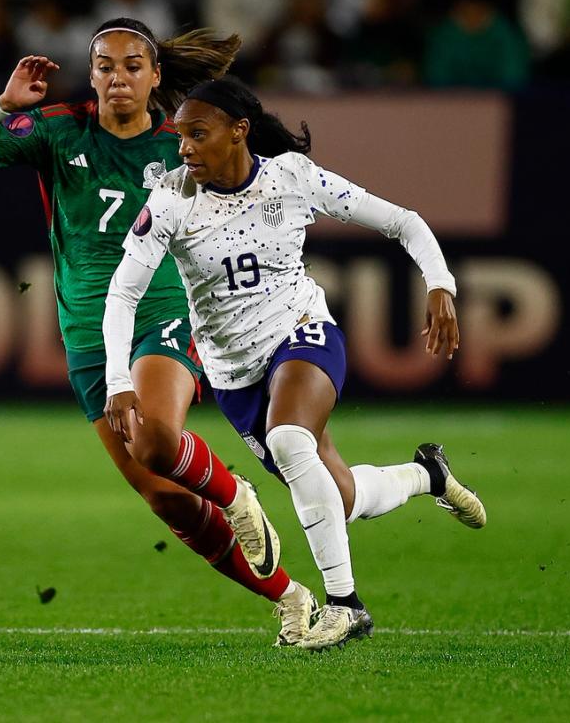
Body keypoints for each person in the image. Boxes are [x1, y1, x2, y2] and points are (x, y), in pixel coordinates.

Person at [0, 19, 319, 647]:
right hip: (87, 332)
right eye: (106, 66)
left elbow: (262, 185)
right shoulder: (59, 132)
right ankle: (290, 598)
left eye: (133, 66)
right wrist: (3, 104)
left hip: (163, 308)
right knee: (163, 497)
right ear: (92, 75)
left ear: (156, 77)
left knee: (154, 436)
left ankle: (237, 495)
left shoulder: (184, 146)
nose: (119, 78)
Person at [102, 78, 488, 651]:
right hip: (234, 374)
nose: (182, 149)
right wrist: (117, 381)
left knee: (288, 438)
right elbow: (122, 295)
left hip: (301, 333)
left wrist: (440, 283)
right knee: (343, 497)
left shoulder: (292, 178)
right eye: (180, 136)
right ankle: (428, 474)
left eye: (197, 135)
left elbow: (404, 221)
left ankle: (345, 606)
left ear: (239, 132)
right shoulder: (170, 201)